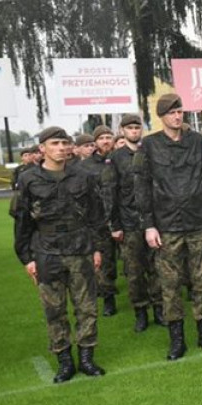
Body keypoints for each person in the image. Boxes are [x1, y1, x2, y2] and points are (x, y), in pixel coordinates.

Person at [133, 93, 202, 359]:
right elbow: (141, 188)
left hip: (199, 222)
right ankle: (177, 340)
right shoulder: (149, 146)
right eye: (172, 112)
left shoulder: (197, 141)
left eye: (180, 111)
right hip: (166, 225)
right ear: (161, 116)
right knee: (170, 284)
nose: (178, 116)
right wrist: (148, 225)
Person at [13, 126, 107, 382]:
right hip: (47, 251)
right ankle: (64, 361)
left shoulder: (83, 176)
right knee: (54, 309)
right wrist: (27, 258)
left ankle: (87, 358)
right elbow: (22, 222)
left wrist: (97, 248)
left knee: (87, 307)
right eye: (55, 143)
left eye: (65, 143)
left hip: (80, 249)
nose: (62, 148)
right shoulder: (29, 179)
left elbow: (96, 216)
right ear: (42, 148)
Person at [108, 113, 163, 332]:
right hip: (129, 222)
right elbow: (111, 192)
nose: (134, 131)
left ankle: (159, 309)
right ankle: (141, 311)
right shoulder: (116, 157)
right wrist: (115, 225)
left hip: (153, 220)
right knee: (134, 271)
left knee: (158, 268)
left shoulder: (150, 152)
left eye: (137, 127)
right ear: (122, 131)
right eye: (129, 128)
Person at [76, 124, 118, 315]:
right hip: (100, 222)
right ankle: (108, 300)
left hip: (124, 218)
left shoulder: (121, 159)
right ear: (95, 142)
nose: (106, 141)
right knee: (104, 263)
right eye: (102, 138)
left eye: (109, 137)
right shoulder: (85, 167)